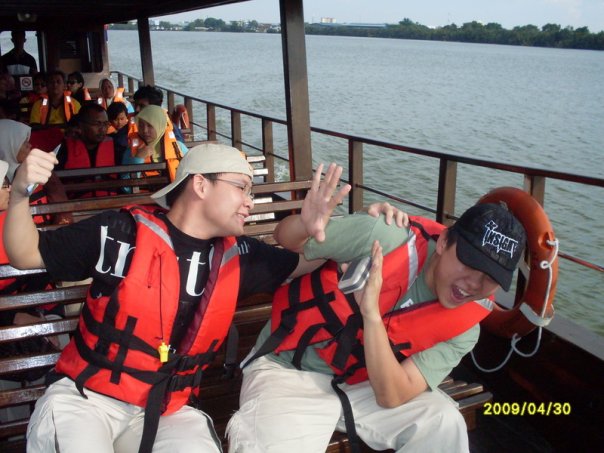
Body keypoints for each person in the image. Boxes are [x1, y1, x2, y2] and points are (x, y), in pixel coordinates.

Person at [4, 146, 358, 453]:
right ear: (200, 185)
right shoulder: (118, 233)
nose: (250, 201)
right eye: (241, 187)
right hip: (87, 397)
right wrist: (20, 192)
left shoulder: (241, 257)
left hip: (168, 408)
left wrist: (316, 229)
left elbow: (304, 263)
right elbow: (26, 253)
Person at [226, 163, 527, 453]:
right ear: (444, 241)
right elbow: (290, 241)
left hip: (363, 385)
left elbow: (392, 395)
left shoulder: (466, 326)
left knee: (444, 423)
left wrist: (370, 315)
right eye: (469, 263)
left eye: (490, 278)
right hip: (288, 370)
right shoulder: (384, 236)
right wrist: (305, 225)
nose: (473, 284)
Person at [133, 104, 188, 181]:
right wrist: (138, 158)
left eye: (150, 126)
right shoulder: (131, 151)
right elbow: (126, 185)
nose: (145, 130)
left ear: (160, 125)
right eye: (141, 125)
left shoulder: (179, 148)